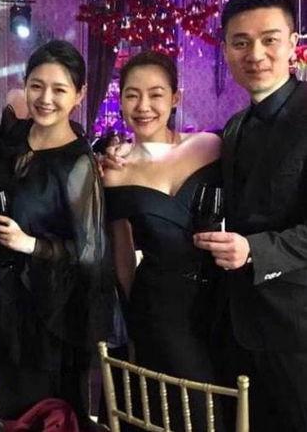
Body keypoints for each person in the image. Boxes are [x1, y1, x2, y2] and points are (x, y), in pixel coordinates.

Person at [0, 39, 113, 431]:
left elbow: (92, 253)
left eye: (59, 89)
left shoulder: (79, 162)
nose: (45, 99)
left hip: (47, 316)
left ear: (79, 94)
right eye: (37, 86)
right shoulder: (10, 140)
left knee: (39, 415)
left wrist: (31, 244)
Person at [193, 0, 307, 432]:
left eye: (269, 39)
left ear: (293, 42)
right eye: (240, 42)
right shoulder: (236, 126)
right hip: (236, 322)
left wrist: (254, 250)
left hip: (296, 326)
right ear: (225, 50)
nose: (255, 54)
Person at [102, 51, 223, 430]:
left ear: (175, 98)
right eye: (132, 95)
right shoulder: (114, 170)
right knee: (185, 411)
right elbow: (122, 253)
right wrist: (134, 318)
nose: (143, 106)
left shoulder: (209, 146)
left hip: (222, 297)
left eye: (156, 94)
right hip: (159, 306)